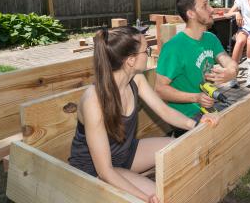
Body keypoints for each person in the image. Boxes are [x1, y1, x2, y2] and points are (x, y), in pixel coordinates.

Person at [68, 26, 220, 203]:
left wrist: (197, 123)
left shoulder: (136, 79)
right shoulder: (93, 101)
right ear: (131, 60)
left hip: (125, 154)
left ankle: (134, 176)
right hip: (95, 169)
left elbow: (164, 110)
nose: (148, 54)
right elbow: (105, 170)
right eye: (146, 51)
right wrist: (145, 197)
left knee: (178, 150)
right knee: (161, 197)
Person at [155, 0, 238, 128]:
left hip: (208, 107)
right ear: (191, 14)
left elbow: (228, 62)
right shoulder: (174, 47)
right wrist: (196, 97)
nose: (211, 9)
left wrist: (231, 72)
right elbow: (160, 90)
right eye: (205, 6)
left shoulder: (210, 38)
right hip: (185, 116)